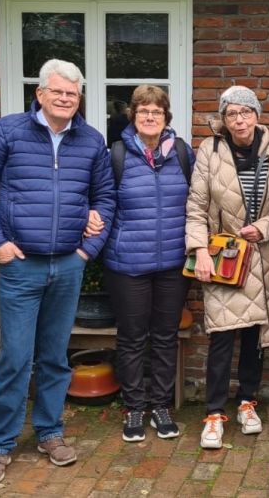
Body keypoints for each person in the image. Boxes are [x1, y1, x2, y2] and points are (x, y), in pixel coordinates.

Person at [0, 59, 116, 484]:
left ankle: (50, 431)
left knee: (54, 356)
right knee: (15, 358)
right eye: (58, 91)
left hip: (68, 264)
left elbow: (106, 198)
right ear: (40, 94)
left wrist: (86, 251)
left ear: (79, 98)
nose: (65, 99)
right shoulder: (8, 131)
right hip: (21, 266)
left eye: (72, 93)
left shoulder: (91, 140)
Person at [185, 85, 269, 449]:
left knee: (253, 336)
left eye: (246, 112)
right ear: (224, 119)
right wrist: (199, 249)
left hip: (263, 256)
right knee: (220, 335)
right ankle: (214, 413)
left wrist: (264, 227)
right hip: (223, 256)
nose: (239, 120)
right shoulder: (210, 150)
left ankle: (248, 401)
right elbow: (196, 204)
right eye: (231, 113)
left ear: (257, 115)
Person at [102, 84, 195, 442]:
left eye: (157, 111)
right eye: (144, 111)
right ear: (133, 116)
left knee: (165, 337)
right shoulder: (117, 154)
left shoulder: (182, 153)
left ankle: (160, 405)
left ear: (166, 117)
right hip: (128, 264)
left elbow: (198, 200)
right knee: (131, 338)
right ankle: (134, 407)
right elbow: (102, 201)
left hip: (173, 262)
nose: (150, 117)